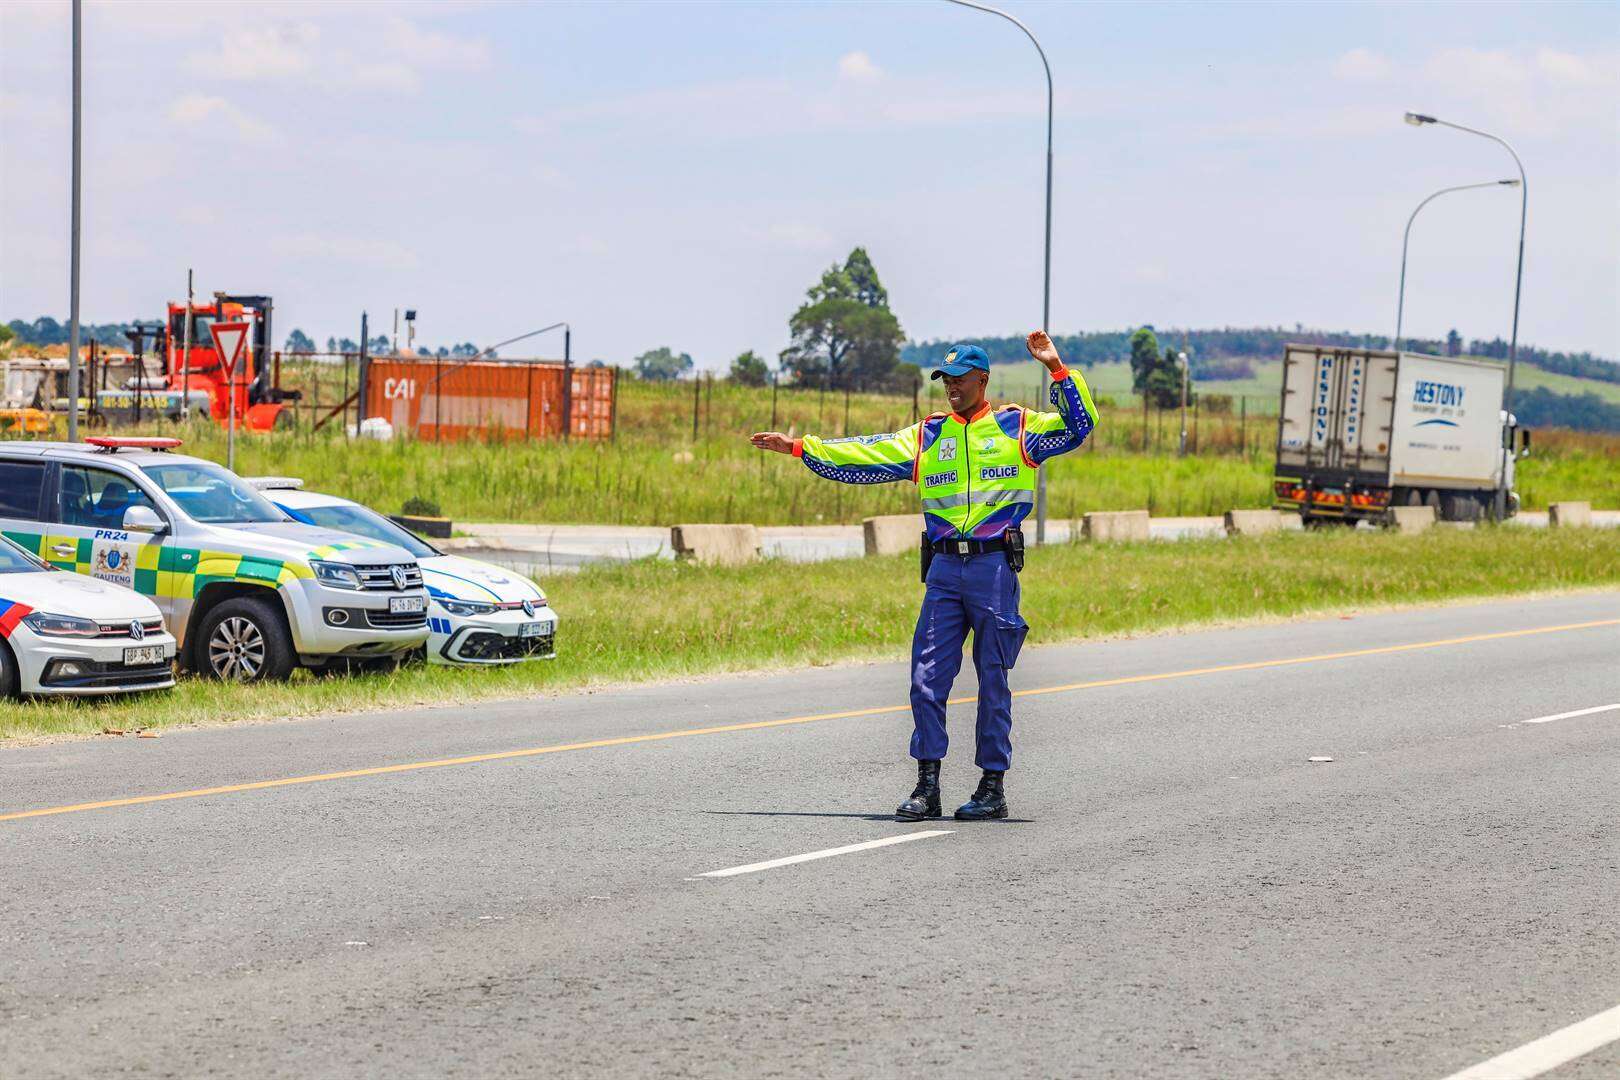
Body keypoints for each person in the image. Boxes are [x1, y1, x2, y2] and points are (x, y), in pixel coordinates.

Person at [750, 331, 1099, 820]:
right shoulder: (927, 436)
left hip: (993, 567)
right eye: (945, 379)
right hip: (942, 571)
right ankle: (927, 785)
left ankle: (991, 787)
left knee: (993, 679)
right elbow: (864, 455)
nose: (951, 386)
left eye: (959, 379)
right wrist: (799, 449)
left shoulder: (1018, 427)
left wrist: (1056, 369)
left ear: (983, 379)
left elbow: (1080, 426)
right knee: (926, 680)